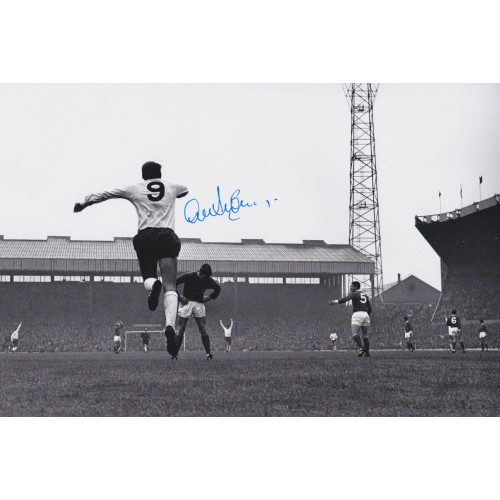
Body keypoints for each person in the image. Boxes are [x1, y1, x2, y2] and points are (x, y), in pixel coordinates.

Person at [74, 161, 188, 357]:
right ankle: (169, 326)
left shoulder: (135, 188)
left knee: (149, 278)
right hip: (167, 236)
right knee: (171, 286)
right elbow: (185, 190)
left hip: (145, 237)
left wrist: (85, 202)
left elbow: (107, 194)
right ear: (159, 174)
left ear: (143, 175)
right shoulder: (172, 187)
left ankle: (153, 286)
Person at [175, 263, 221, 360]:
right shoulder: (190, 276)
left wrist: (209, 298)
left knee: (202, 328)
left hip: (199, 304)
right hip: (186, 303)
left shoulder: (207, 279)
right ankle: (175, 354)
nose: (206, 280)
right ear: (200, 273)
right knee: (181, 329)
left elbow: (218, 288)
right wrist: (179, 297)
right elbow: (173, 282)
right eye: (205, 277)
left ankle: (208, 354)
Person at [329, 281, 372, 357]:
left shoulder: (355, 293)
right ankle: (367, 353)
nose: (350, 288)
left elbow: (346, 299)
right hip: (366, 314)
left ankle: (361, 348)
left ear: (356, 287)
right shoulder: (365, 295)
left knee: (354, 333)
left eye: (351, 286)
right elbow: (370, 308)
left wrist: (334, 302)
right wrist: (366, 315)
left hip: (357, 314)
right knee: (365, 335)